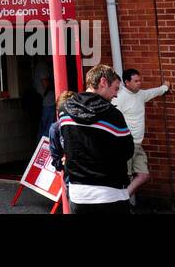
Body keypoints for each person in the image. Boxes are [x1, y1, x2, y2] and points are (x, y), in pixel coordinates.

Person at [57, 63, 134, 214]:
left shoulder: (65, 111)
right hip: (111, 193)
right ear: (103, 82)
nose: (116, 94)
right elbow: (127, 150)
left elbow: (63, 144)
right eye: (116, 88)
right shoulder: (112, 115)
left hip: (78, 194)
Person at [113, 68, 169, 205]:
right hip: (126, 145)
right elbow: (112, 119)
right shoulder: (119, 98)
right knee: (124, 178)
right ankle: (120, 204)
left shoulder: (140, 95)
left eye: (140, 80)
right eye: (136, 81)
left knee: (144, 175)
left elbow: (153, 92)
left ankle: (124, 199)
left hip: (138, 144)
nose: (140, 83)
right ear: (126, 82)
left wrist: (165, 87)